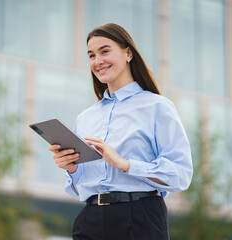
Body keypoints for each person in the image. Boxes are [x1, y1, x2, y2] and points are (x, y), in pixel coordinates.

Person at [49, 23, 193, 240]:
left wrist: (124, 164)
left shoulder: (157, 107)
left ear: (128, 53)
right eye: (91, 55)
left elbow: (180, 174)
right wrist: (71, 169)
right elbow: (81, 187)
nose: (97, 61)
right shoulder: (86, 117)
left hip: (139, 217)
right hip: (90, 219)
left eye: (105, 51)